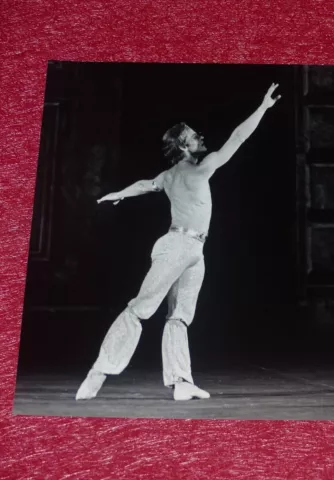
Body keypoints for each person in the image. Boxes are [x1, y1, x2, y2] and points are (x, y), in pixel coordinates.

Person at [76, 83, 282, 401]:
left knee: (180, 315)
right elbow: (238, 137)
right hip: (176, 246)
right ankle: (99, 371)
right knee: (141, 308)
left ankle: (181, 382)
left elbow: (146, 184)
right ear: (183, 147)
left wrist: (120, 193)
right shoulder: (196, 170)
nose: (201, 138)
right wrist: (263, 108)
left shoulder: (172, 175)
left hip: (194, 249)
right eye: (194, 136)